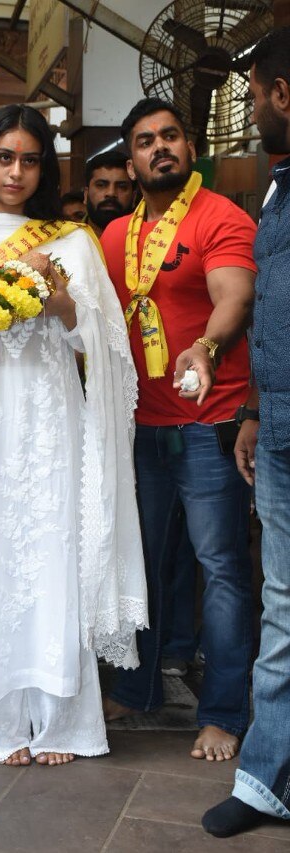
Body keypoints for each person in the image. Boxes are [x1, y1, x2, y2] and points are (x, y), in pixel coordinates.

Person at [0, 104, 147, 766]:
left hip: (49, 414)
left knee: (51, 547)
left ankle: (60, 717)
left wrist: (58, 298)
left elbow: (99, 341)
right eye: (4, 157)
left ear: (45, 167)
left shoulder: (73, 241)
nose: (15, 172)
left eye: (30, 159)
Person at [100, 97, 257, 762]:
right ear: (130, 160)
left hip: (209, 421)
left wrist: (209, 346)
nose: (159, 147)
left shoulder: (221, 216)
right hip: (138, 425)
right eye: (144, 140)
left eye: (169, 136)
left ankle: (222, 710)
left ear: (188, 147)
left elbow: (234, 295)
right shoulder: (112, 237)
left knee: (221, 570)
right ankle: (135, 692)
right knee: (145, 565)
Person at [203, 27, 290, 837]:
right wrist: (258, 413)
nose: (254, 111)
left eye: (256, 95)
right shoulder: (277, 189)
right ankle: (267, 780)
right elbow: (273, 319)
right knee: (284, 606)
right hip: (283, 430)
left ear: (280, 94)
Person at [83, 150, 134, 237]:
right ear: (86, 195)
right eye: (101, 185)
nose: (111, 193)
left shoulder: (148, 243)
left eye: (121, 187)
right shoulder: (64, 241)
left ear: (134, 197)